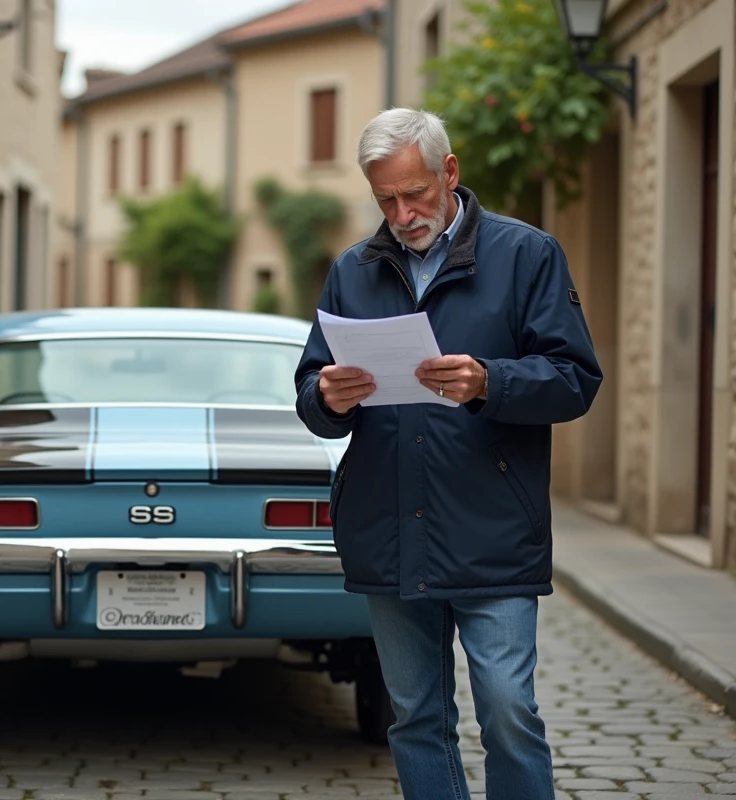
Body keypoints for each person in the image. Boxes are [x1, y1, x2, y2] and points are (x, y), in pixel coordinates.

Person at [293, 107, 603, 799]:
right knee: (415, 718)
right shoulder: (353, 271)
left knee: (508, 711)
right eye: (385, 199)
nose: (402, 214)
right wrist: (327, 395)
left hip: (492, 529)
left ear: (450, 172)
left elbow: (576, 380)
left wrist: (491, 382)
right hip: (388, 527)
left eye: (415, 194)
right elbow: (311, 395)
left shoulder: (528, 255)